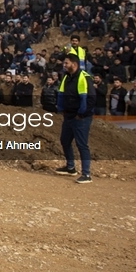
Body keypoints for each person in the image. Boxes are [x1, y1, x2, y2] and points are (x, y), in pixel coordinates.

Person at [55, 52, 96, 183]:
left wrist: (82, 114)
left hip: (81, 117)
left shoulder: (85, 77)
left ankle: (86, 174)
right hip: (68, 115)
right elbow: (61, 94)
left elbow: (90, 98)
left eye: (66, 63)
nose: (64, 65)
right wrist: (62, 109)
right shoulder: (66, 77)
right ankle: (70, 167)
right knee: (65, 141)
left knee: (82, 144)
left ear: (74, 64)